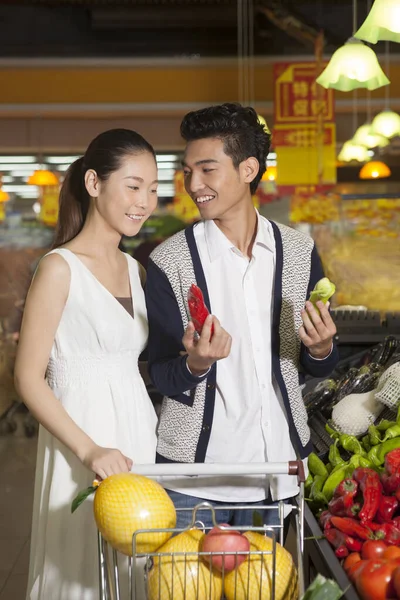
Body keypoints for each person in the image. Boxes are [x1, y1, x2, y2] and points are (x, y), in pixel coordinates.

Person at [145, 103, 338, 530]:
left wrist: (322, 348)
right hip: (192, 480)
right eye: (187, 171)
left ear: (248, 169)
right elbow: (159, 373)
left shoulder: (299, 253)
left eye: (207, 169)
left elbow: (313, 362)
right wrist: (197, 364)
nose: (194, 184)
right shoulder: (170, 262)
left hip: (277, 472)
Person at [14, 129, 159, 600]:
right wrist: (89, 451)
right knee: (79, 570)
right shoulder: (59, 268)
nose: (144, 202)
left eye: (154, 190)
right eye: (133, 186)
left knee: (136, 563)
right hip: (80, 439)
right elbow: (28, 378)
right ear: (94, 183)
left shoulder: (136, 270)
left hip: (137, 433)